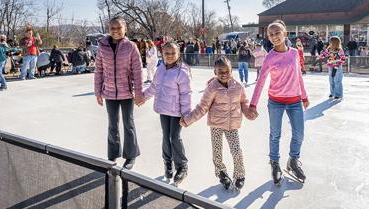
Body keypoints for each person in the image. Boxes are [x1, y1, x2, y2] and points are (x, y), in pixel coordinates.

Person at [247, 19, 310, 186]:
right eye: (271, 34)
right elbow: (260, 82)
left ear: (284, 33)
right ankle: (275, 164)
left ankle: (293, 161)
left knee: (299, 134)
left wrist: (304, 96)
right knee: (275, 135)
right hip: (276, 101)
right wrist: (252, 104)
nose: (274, 36)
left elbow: (299, 76)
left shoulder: (295, 53)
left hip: (295, 100)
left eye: (277, 33)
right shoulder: (269, 57)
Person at [180, 56, 251, 190]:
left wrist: (248, 112)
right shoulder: (212, 88)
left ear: (231, 70)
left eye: (227, 71)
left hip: (232, 125)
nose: (224, 74)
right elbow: (202, 107)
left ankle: (240, 174)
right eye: (220, 72)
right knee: (217, 151)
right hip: (216, 124)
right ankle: (222, 173)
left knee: (236, 151)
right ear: (215, 72)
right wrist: (188, 119)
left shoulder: (238, 86)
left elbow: (243, 102)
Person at [94, 16, 144, 169]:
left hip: (127, 93)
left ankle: (131, 155)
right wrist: (98, 91)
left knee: (128, 124)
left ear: (125, 29)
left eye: (118, 28)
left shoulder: (131, 47)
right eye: (112, 28)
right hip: (109, 92)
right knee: (112, 124)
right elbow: (99, 70)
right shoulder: (102, 46)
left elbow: (137, 71)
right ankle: (113, 154)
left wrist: (139, 92)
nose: (115, 31)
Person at [142, 41, 191, 185]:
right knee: (166, 136)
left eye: (173, 53)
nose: (169, 56)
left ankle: (182, 166)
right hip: (164, 109)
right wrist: (142, 97)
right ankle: (168, 163)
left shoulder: (182, 71)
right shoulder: (160, 69)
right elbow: (153, 87)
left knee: (174, 137)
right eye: (166, 53)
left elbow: (186, 94)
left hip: (177, 111)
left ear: (178, 54)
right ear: (162, 54)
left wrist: (186, 114)